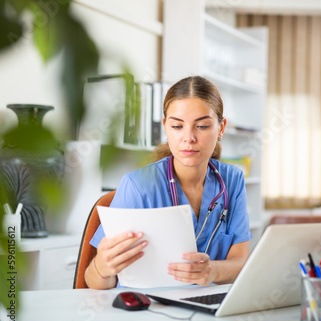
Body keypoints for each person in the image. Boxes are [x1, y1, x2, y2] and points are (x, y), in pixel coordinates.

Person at [85, 76, 252, 289]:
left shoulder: (232, 180)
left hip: (208, 309)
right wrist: (102, 268)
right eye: (177, 126)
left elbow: (240, 260)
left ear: (221, 128)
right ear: (165, 126)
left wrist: (212, 271)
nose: (188, 137)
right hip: (148, 311)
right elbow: (93, 282)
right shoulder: (137, 186)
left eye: (201, 126)